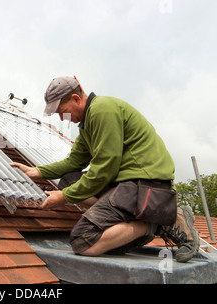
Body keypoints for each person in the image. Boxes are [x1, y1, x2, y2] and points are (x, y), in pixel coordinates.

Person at [11, 76, 200, 263]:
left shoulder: (102, 109)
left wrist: (64, 197)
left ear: (76, 99)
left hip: (145, 183)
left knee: (83, 240)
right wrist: (37, 171)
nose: (61, 118)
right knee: (68, 181)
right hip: (123, 183)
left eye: (62, 111)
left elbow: (105, 168)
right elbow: (73, 162)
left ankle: (155, 221)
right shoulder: (86, 125)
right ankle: (138, 217)